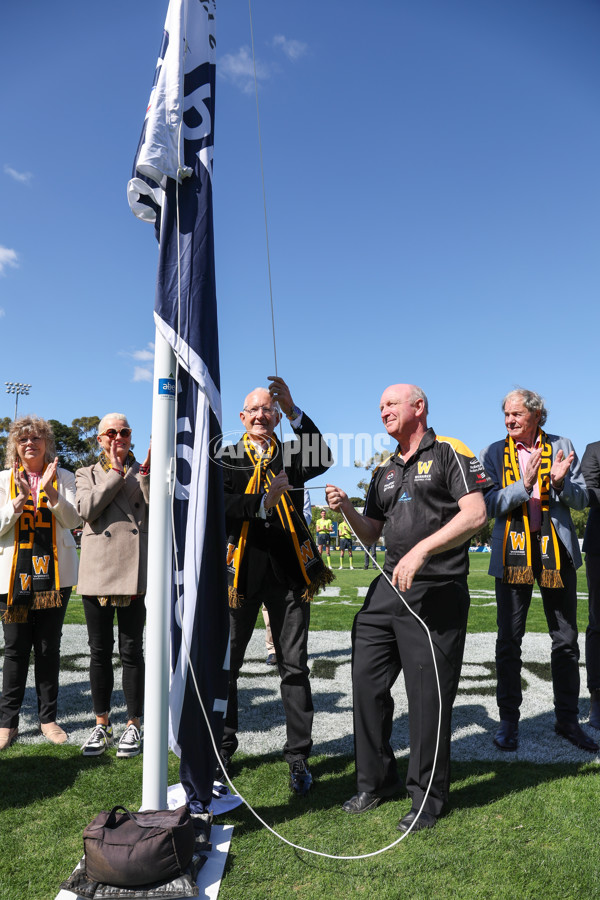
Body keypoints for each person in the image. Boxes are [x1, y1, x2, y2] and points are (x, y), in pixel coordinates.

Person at [326, 384, 488, 833]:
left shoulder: (450, 451)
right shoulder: (384, 468)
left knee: (427, 697)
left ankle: (426, 799)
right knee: (365, 681)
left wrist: (421, 552)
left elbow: (476, 514)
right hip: (388, 587)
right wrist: (347, 512)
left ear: (419, 407)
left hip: (436, 588)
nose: (383, 411)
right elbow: (372, 533)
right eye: (379, 406)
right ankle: (375, 781)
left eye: (391, 404)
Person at [221, 376, 333, 794]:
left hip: (289, 573)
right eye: (255, 409)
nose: (262, 415)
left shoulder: (289, 453)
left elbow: (322, 456)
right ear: (242, 417)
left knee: (294, 667)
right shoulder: (227, 456)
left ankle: (299, 755)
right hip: (240, 574)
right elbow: (219, 506)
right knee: (226, 666)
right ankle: (223, 747)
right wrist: (262, 503)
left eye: (269, 409)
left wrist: (294, 409)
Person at [480, 389, 597, 753]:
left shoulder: (562, 444)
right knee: (508, 640)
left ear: (536, 415)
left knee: (565, 639)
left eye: (516, 414)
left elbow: (583, 499)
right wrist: (524, 486)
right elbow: (486, 504)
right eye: (506, 415)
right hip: (510, 554)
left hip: (556, 553)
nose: (509, 420)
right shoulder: (493, 453)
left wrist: (560, 483)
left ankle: (567, 720)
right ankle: (508, 722)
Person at [0, 417, 81, 749]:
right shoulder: (3, 480)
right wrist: (15, 506)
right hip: (12, 581)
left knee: (48, 650)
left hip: (55, 579)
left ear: (47, 442)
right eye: (22, 440)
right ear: (15, 447)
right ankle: (7, 723)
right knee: (16, 650)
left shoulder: (64, 477)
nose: (29, 443)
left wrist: (49, 492)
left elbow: (75, 520)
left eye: (35, 438)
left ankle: (48, 720)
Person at [76, 414, 150, 758]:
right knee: (99, 651)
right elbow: (87, 510)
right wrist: (116, 473)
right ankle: (101, 723)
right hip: (97, 572)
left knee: (132, 651)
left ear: (131, 437)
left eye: (124, 431)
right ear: (100, 439)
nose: (118, 436)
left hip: (134, 570)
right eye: (111, 432)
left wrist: (145, 475)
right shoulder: (85, 473)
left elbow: (157, 508)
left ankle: (134, 724)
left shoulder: (144, 469)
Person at [263, 490, 312, 665]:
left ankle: (290, 650)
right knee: (265, 608)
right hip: (263, 550)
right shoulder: (257, 481)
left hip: (290, 551)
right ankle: (273, 648)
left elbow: (306, 517)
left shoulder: (301, 488)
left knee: (293, 603)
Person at [576, 441, 600, 729]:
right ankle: (597, 697)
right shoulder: (595, 449)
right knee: (599, 623)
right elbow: (587, 492)